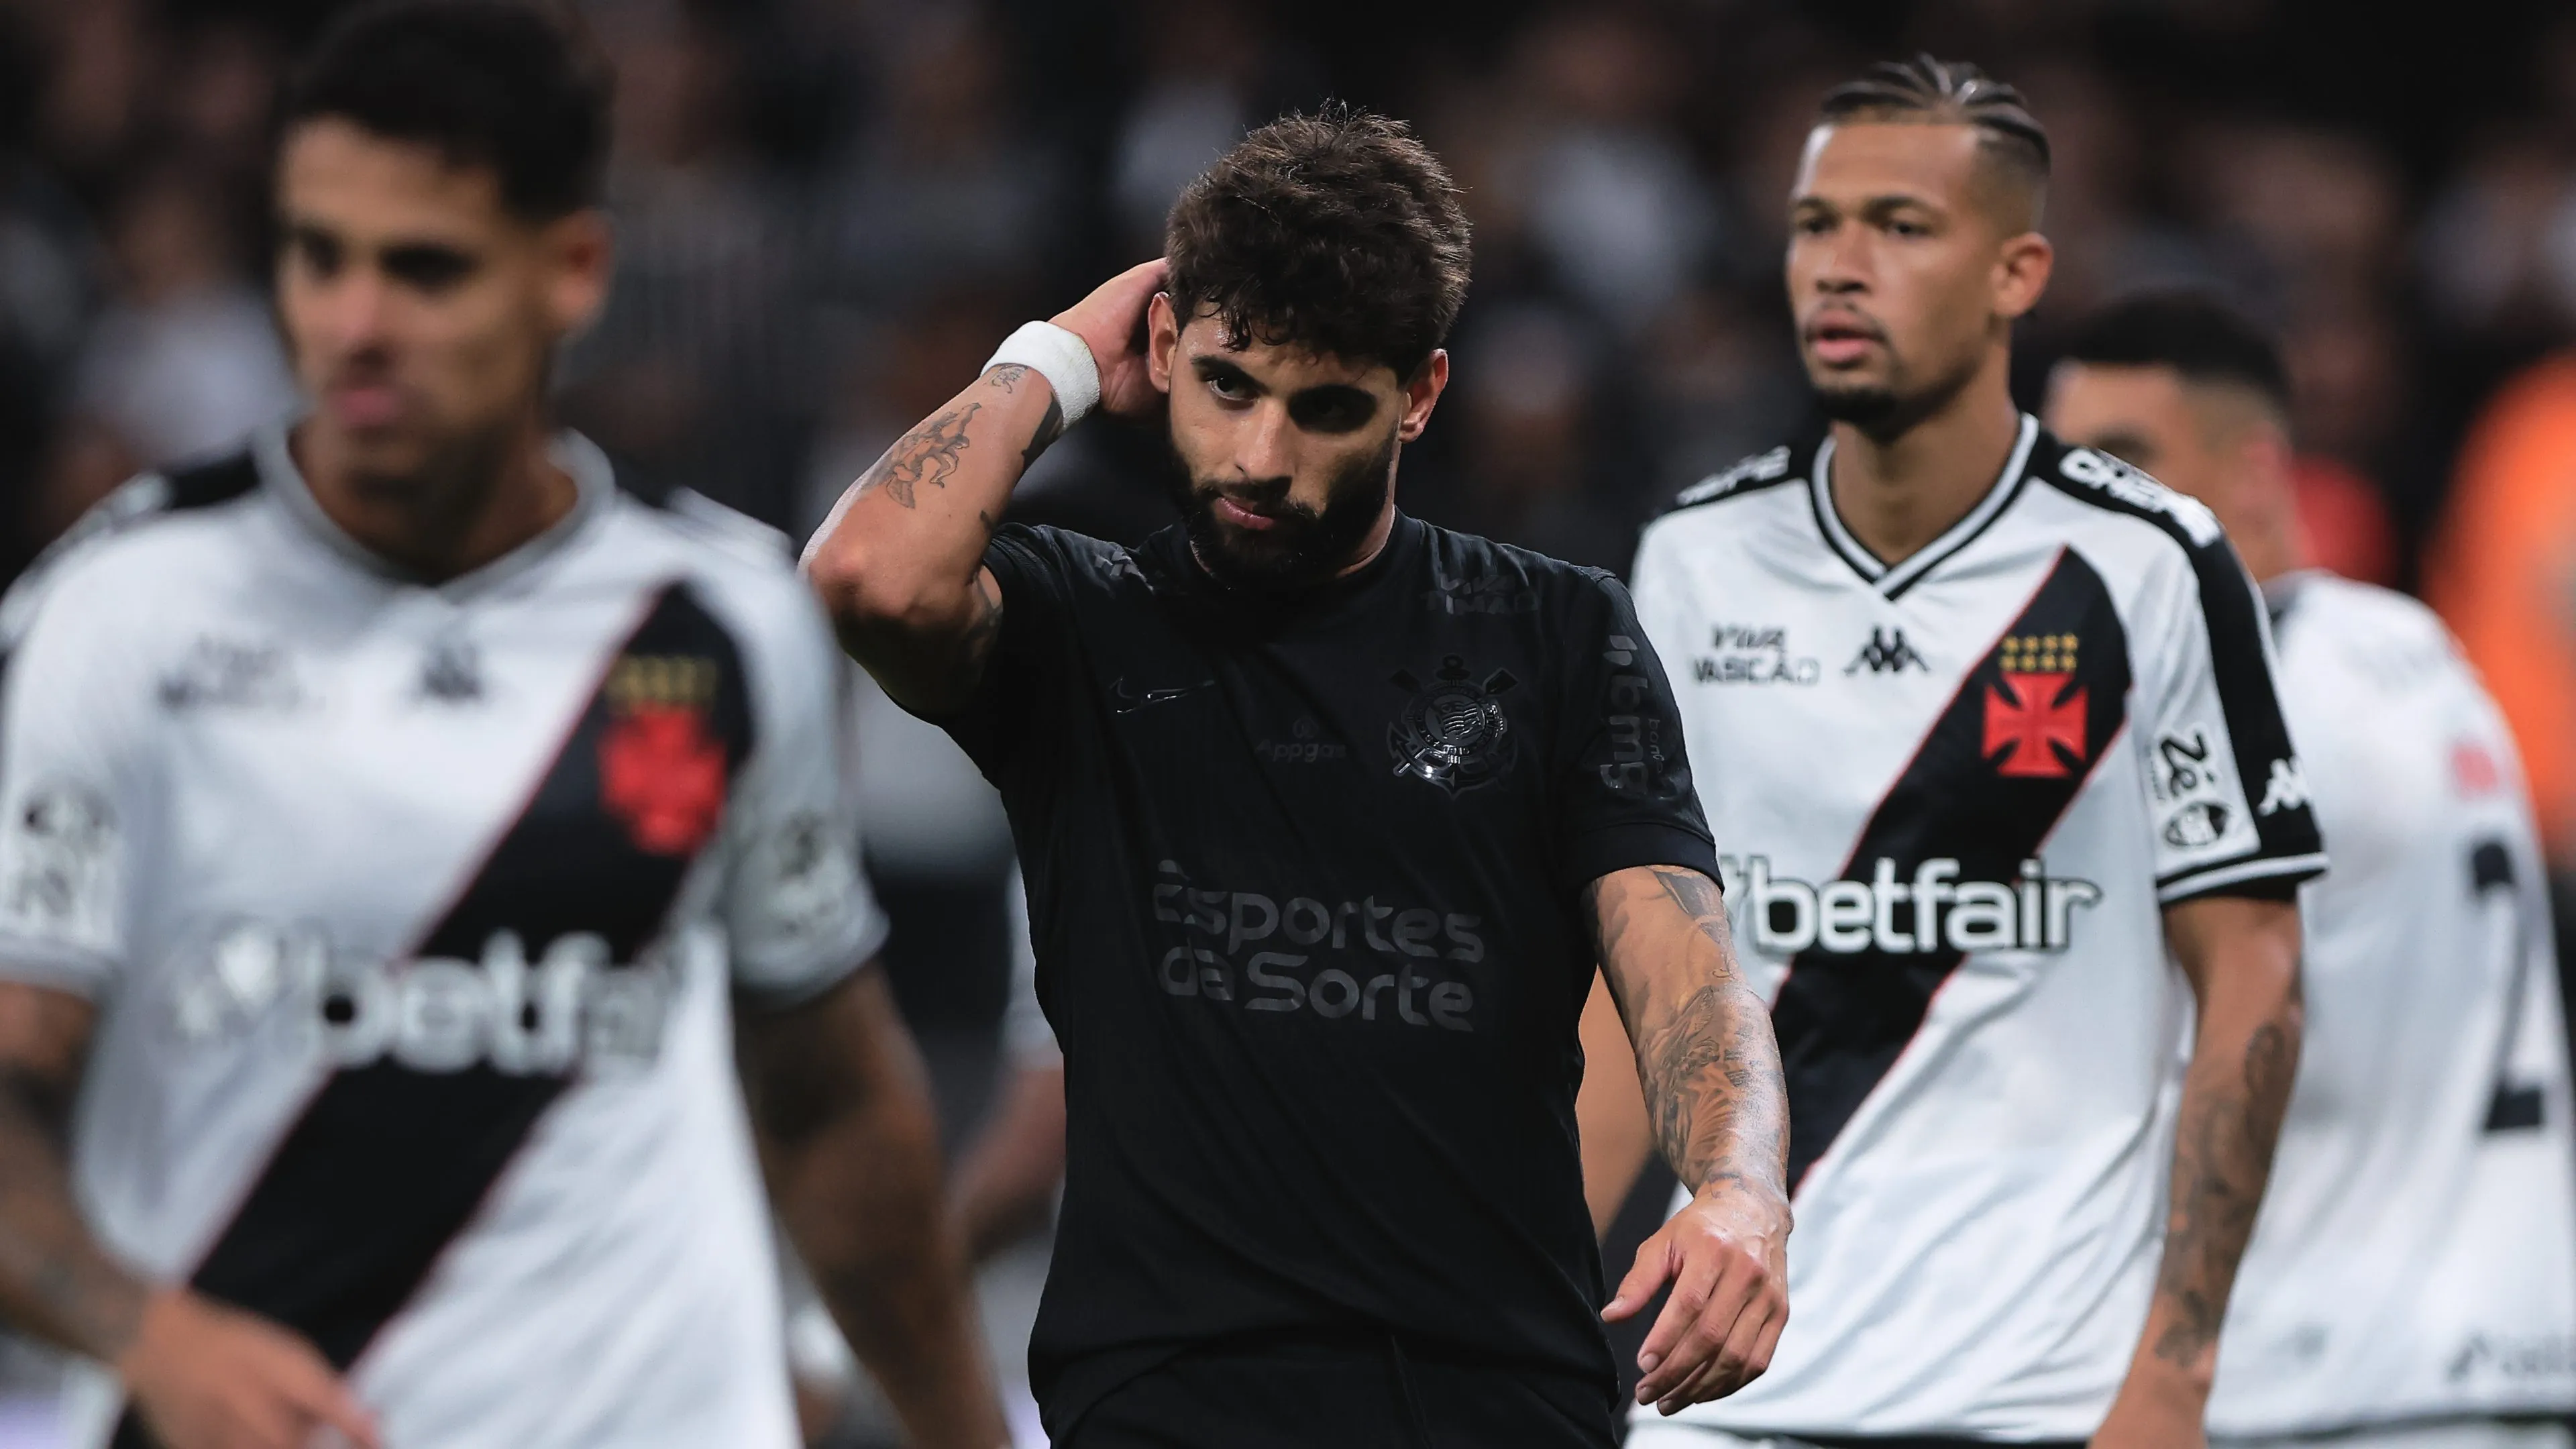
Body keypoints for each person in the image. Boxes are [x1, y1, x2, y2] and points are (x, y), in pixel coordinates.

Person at [0, 5, 1006, 1447]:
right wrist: (145, 1332)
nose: (355, 325)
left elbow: (831, 1100)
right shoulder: (121, 610)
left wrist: (961, 1433)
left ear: (572, 271)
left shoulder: (722, 617)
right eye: (317, 255)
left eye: (426, 269)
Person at [805, 105, 1792, 1447]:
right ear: (1162, 350)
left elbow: (1681, 960)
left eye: (1327, 410)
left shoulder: (1558, 633)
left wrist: (1738, 1190)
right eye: (1228, 387)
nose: (1263, 458)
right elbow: (867, 576)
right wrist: (1056, 357)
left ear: (1422, 396)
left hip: (1498, 1399)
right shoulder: (1080, 624)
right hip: (1166, 1400)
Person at [1607, 56, 2322, 1448]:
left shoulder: (2150, 562)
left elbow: (2254, 970)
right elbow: (1627, 989)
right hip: (1728, 1395)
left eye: (1902, 226)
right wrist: (1513, 1314)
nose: (1840, 267)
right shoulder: (1689, 561)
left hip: (2041, 1398)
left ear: (2018, 272)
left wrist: (2174, 1375)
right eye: (1817, 225)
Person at [2049, 291, 2576, 1449]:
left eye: (2123, 461)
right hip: (2496, 1343)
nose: (2078, 504)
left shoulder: (2245, 699)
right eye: (2061, 469)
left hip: (2327, 1372)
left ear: (2252, 474)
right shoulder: (2409, 647)